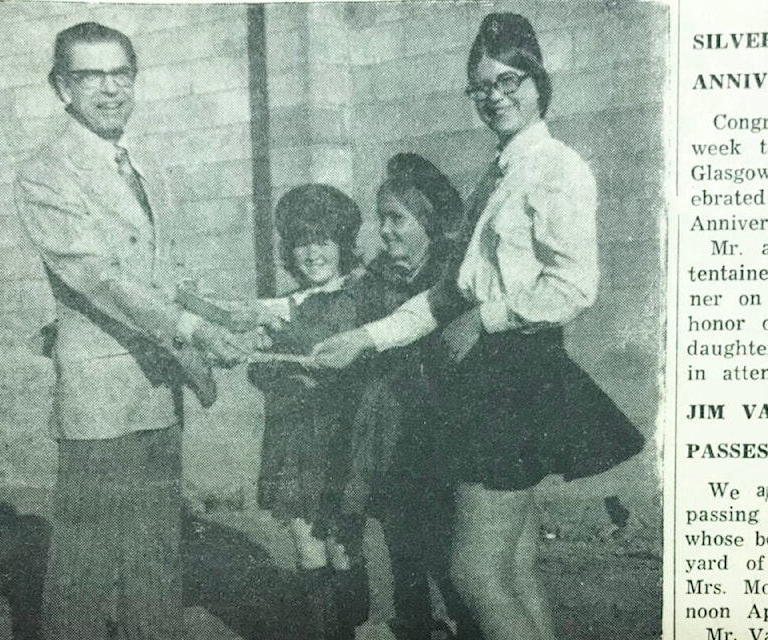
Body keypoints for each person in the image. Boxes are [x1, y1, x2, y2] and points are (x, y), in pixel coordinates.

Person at [312, 13, 645, 640]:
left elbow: (574, 286)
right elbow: (447, 296)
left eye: (509, 79)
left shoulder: (556, 166)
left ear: (538, 81)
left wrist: (483, 320)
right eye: (482, 86)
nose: (496, 96)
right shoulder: (499, 172)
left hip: (516, 378)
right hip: (494, 376)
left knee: (473, 573)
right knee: (513, 568)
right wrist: (363, 338)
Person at [14, 22, 253, 640]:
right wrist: (192, 326)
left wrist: (222, 315)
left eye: (121, 73)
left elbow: (164, 276)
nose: (110, 88)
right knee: (85, 569)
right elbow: (100, 279)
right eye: (91, 75)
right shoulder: (45, 173)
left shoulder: (145, 165)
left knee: (155, 559)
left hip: (157, 392)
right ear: (61, 87)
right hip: (99, 406)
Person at [339, 153, 474, 640]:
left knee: (458, 559)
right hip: (393, 440)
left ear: (429, 223)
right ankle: (415, 627)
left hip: (447, 437)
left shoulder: (453, 279)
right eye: (382, 220)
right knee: (402, 552)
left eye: (398, 219)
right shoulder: (374, 280)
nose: (387, 231)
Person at [248, 184, 367, 640]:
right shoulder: (280, 306)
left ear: (343, 246)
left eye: (324, 241)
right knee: (306, 543)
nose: (313, 253)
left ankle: (354, 623)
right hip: (293, 440)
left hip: (342, 440)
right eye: (302, 243)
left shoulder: (358, 300)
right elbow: (259, 370)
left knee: (342, 545)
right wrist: (266, 360)